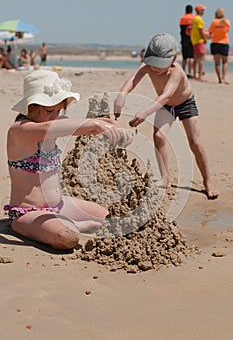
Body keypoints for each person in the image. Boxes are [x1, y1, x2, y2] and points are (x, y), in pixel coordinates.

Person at [4, 70, 132, 250]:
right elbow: (50, 127)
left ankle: (71, 221)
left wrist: (112, 125)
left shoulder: (53, 120)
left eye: (58, 110)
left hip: (60, 204)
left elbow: (78, 122)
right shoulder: (19, 130)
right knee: (68, 238)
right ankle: (75, 225)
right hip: (28, 213)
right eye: (49, 110)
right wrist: (96, 126)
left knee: (113, 217)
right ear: (30, 107)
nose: (55, 116)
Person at [114, 33, 219, 200]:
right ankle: (165, 178)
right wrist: (122, 95)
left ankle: (208, 182)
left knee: (195, 143)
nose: (155, 68)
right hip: (166, 107)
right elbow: (133, 80)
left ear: (173, 59)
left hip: (185, 104)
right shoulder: (147, 66)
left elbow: (166, 95)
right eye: (153, 63)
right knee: (158, 137)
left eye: (160, 65)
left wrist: (145, 113)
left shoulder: (176, 72)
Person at [208, 8, 231, 84]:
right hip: (224, 43)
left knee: (217, 63)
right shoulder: (227, 22)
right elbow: (227, 30)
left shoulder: (214, 22)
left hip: (215, 43)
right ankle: (223, 78)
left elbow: (210, 32)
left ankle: (219, 79)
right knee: (225, 62)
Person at [190, 4, 207, 81]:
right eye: (202, 10)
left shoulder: (195, 18)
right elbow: (200, 30)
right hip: (199, 40)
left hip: (194, 40)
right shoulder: (199, 19)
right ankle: (200, 76)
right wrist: (205, 38)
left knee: (196, 58)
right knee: (201, 59)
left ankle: (194, 75)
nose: (203, 12)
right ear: (199, 10)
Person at [179, 4, 195, 78]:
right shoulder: (194, 18)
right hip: (192, 39)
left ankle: (183, 71)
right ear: (191, 10)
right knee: (191, 57)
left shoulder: (182, 18)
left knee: (184, 57)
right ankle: (190, 72)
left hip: (184, 40)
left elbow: (181, 30)